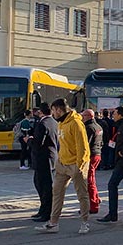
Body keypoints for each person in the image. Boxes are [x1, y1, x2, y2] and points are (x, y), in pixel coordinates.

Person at [36, 98, 92, 235]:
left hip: (75, 165)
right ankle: (53, 223)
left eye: (54, 110)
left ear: (59, 110)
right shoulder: (61, 123)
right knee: (57, 192)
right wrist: (59, 161)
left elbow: (83, 147)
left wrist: (80, 165)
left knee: (82, 194)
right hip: (62, 164)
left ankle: (85, 222)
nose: (52, 113)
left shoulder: (76, 124)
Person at [27, 103, 58, 223]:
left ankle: (46, 212)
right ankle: (43, 209)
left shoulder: (43, 124)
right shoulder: (54, 122)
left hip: (43, 159)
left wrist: (29, 140)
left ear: (40, 112)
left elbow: (38, 143)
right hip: (50, 157)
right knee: (42, 184)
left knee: (44, 186)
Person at [81, 109, 103, 215]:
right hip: (97, 154)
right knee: (91, 180)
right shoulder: (98, 127)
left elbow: (86, 144)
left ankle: (93, 206)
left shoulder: (88, 128)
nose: (82, 117)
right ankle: (96, 199)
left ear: (88, 116)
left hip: (90, 156)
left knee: (89, 182)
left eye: (83, 116)